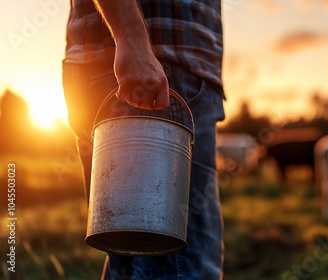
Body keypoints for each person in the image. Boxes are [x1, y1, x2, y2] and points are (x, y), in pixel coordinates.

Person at [62, 0, 225, 279]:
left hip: (149, 65)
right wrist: (132, 38)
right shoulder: (145, 57)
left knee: (130, 260)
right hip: (157, 67)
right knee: (178, 264)